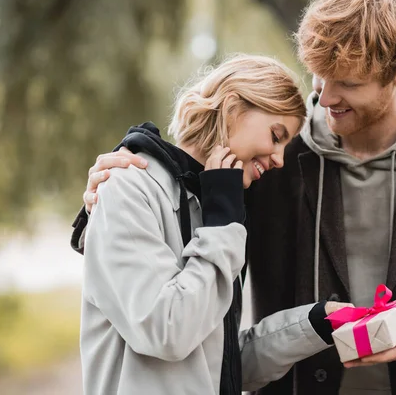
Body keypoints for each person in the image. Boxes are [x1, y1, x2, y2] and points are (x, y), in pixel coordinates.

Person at [76, 0, 396, 394]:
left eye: (348, 83)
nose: (327, 96)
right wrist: (114, 183)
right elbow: (187, 187)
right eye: (319, 76)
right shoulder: (272, 160)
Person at [76, 54, 349, 395]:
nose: (280, 160)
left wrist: (314, 324)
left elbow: (219, 361)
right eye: (276, 136)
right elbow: (167, 332)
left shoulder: (214, 204)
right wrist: (223, 223)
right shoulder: (129, 188)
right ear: (234, 108)